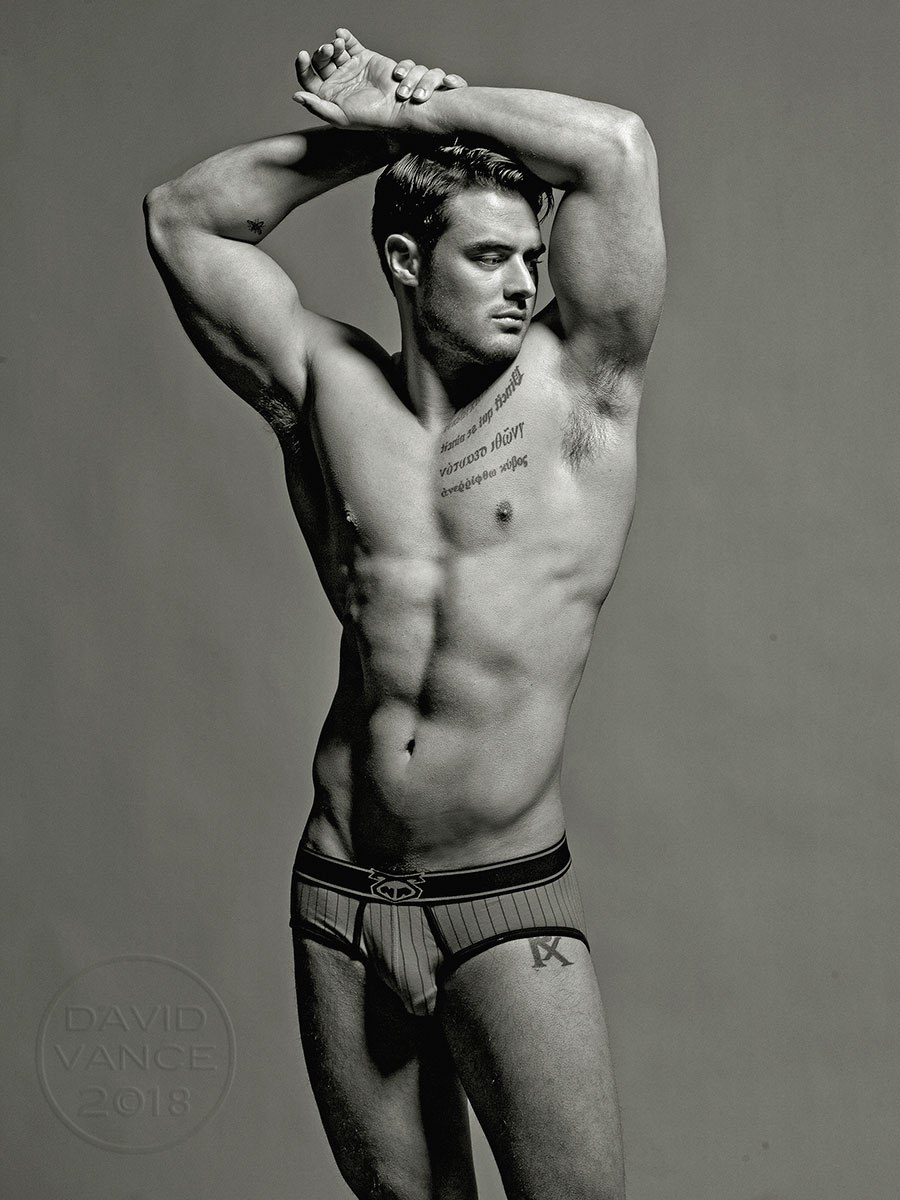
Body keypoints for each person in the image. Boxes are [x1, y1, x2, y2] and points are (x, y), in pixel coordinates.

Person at [144, 25, 665, 1200]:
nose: (525, 283)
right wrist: (370, 142)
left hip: (500, 895)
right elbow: (183, 219)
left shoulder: (582, 393)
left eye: (532, 257)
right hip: (341, 884)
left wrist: (425, 110)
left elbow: (618, 150)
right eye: (488, 257)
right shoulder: (326, 389)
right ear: (405, 261)